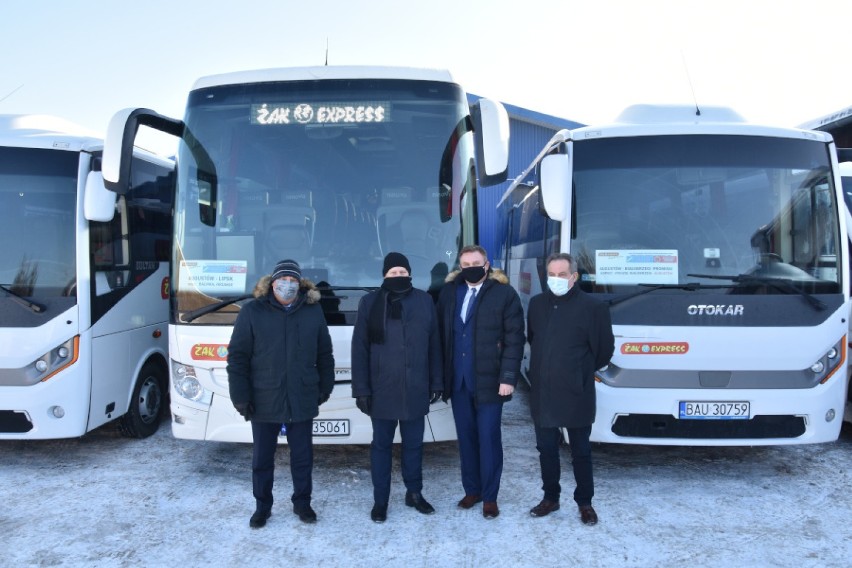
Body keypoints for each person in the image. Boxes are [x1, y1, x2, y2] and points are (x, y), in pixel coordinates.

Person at [227, 259, 335, 528]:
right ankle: (262, 506)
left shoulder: (313, 311)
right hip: (263, 397)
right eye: (282, 280)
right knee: (262, 459)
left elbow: (324, 354)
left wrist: (325, 387)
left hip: (302, 396)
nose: (287, 285)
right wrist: (240, 396)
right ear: (272, 282)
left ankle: (302, 503)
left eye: (293, 281)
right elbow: (237, 358)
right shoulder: (252, 312)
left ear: (300, 285)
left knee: (302, 457)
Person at [351, 252, 444, 523]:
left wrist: (436, 381)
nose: (398, 277)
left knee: (414, 445)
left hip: (416, 387)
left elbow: (434, 343)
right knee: (381, 446)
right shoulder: (369, 303)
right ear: (384, 276)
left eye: (402, 273)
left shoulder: (425, 300)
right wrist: (361, 389)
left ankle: (414, 493)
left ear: (410, 274)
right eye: (393, 273)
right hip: (382, 390)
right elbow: (360, 349)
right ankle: (380, 501)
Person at [436, 245, 525, 519]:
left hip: (490, 382)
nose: (472, 267)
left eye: (477, 262)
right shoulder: (449, 293)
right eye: (466, 263)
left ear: (487, 264)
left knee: (488, 439)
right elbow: (441, 337)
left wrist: (508, 377)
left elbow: (514, 338)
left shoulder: (504, 294)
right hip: (459, 381)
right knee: (466, 439)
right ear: (460, 267)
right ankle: (472, 490)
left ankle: (489, 496)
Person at [526, 252, 614, 526]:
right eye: (551, 275)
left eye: (561, 274)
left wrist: (577, 371)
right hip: (543, 392)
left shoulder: (593, 308)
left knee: (580, 451)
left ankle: (585, 502)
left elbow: (603, 350)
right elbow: (534, 339)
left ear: (574, 277)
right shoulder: (537, 304)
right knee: (546, 449)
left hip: (576, 391)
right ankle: (550, 498)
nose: (556, 279)